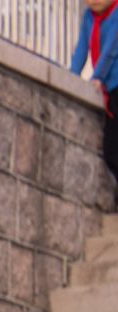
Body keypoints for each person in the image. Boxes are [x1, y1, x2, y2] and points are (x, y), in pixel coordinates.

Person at [71, 0, 118, 181]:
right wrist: (71, 77)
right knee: (111, 150)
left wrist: (97, 76)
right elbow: (81, 49)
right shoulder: (89, 18)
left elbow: (110, 51)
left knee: (113, 149)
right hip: (110, 90)